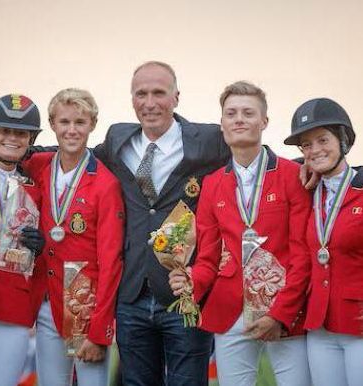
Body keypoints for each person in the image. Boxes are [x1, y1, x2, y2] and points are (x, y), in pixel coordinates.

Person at [93, 61, 230, 386]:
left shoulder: (208, 139)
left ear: (176, 97)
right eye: (142, 94)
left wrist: (307, 167)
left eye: (159, 93)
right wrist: (17, 152)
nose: (150, 102)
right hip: (132, 293)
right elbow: (76, 154)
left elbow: (250, 151)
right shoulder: (117, 139)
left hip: (183, 292)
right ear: (132, 99)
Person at [169, 81, 312, 386]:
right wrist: (190, 280)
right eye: (231, 113)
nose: (239, 119)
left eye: (248, 113)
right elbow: (208, 257)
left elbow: (302, 255)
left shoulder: (292, 176)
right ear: (222, 124)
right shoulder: (211, 184)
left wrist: (281, 314)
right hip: (230, 312)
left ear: (264, 121)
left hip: (285, 310)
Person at [24, 88, 124, 386]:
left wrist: (100, 328)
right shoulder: (38, 165)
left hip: (85, 305)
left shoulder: (106, 183)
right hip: (46, 301)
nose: (71, 130)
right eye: (64, 122)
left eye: (80, 122)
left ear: (93, 124)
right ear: (52, 124)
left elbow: (111, 260)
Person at [284, 98, 363, 386]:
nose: (315, 150)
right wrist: (298, 165)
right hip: (320, 327)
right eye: (306, 145)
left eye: (322, 140)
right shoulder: (306, 190)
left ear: (343, 140)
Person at [0, 94, 45, 386]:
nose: (13, 138)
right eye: (5, 131)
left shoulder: (38, 188)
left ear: (30, 140)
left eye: (21, 133)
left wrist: (40, 247)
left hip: (13, 307)